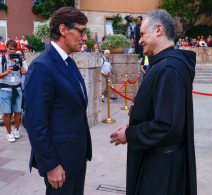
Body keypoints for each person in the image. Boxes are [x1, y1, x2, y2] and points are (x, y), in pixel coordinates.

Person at [110, 9, 197, 195]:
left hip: (161, 171)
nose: (139, 40)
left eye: (142, 34)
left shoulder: (168, 69)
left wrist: (130, 134)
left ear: (159, 30)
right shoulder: (164, 64)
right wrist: (134, 125)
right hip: (159, 162)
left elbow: (166, 125)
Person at [24, 7, 92, 194]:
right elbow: (35, 122)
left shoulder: (68, 62)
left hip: (76, 158)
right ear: (63, 30)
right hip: (59, 163)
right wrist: (51, 165)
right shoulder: (41, 66)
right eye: (81, 31)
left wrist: (83, 150)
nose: (85, 38)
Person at [0, 40, 27, 142]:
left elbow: (26, 72)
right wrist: (7, 72)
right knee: (6, 113)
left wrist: (23, 71)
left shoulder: (20, 59)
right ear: (6, 48)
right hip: (5, 88)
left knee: (17, 111)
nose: (12, 51)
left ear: (17, 49)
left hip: (17, 88)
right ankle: (9, 132)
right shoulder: (2, 60)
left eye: (14, 49)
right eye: (10, 49)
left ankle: (16, 129)